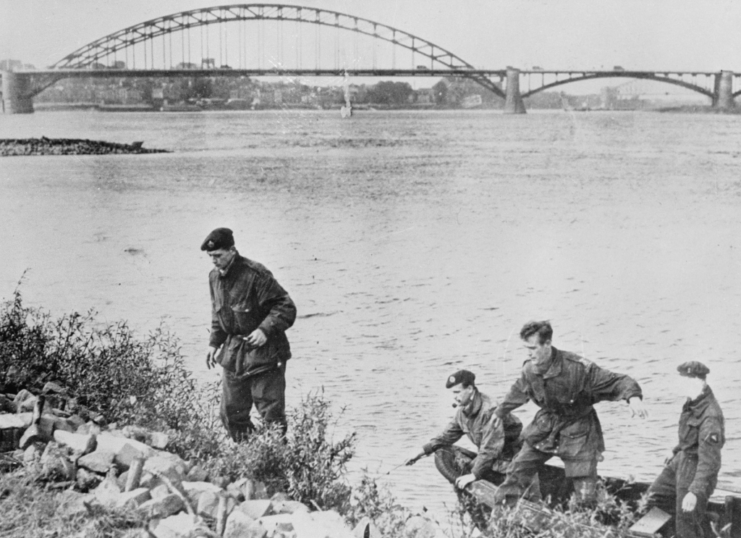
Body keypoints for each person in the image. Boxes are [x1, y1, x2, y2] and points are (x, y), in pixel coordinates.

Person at [493, 321, 648, 507]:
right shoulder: (529, 369)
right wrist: (500, 412)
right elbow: (519, 390)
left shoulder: (579, 369)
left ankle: (587, 523)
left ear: (548, 343)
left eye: (533, 348)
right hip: (546, 427)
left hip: (579, 430)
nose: (529, 354)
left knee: (585, 493)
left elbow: (619, 381)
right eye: (526, 348)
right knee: (518, 468)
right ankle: (504, 511)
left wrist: (633, 398)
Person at [202, 227, 297, 441]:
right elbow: (218, 314)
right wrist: (213, 343)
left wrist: (264, 330)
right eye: (210, 257)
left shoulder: (256, 275)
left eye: (218, 256)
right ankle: (251, 459)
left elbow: (286, 306)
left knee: (271, 416)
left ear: (232, 251)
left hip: (266, 354)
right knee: (230, 414)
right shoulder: (214, 278)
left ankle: (276, 465)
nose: (214, 261)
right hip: (234, 353)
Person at [405, 369, 523, 491]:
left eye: (457, 392)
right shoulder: (463, 412)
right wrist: (420, 452)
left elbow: (491, 447)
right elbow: (445, 437)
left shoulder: (489, 410)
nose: (454, 397)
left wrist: (474, 475)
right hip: (492, 460)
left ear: (470, 389)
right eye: (452, 393)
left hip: (512, 460)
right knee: (442, 452)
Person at [646, 361, 725, 538]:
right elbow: (691, 437)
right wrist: (676, 449)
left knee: (686, 524)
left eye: (684, 381)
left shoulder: (710, 415)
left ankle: (695, 523)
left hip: (696, 468)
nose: (679, 387)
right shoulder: (694, 402)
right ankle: (704, 520)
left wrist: (694, 491)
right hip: (681, 459)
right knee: (653, 498)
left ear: (698, 381)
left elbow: (710, 461)